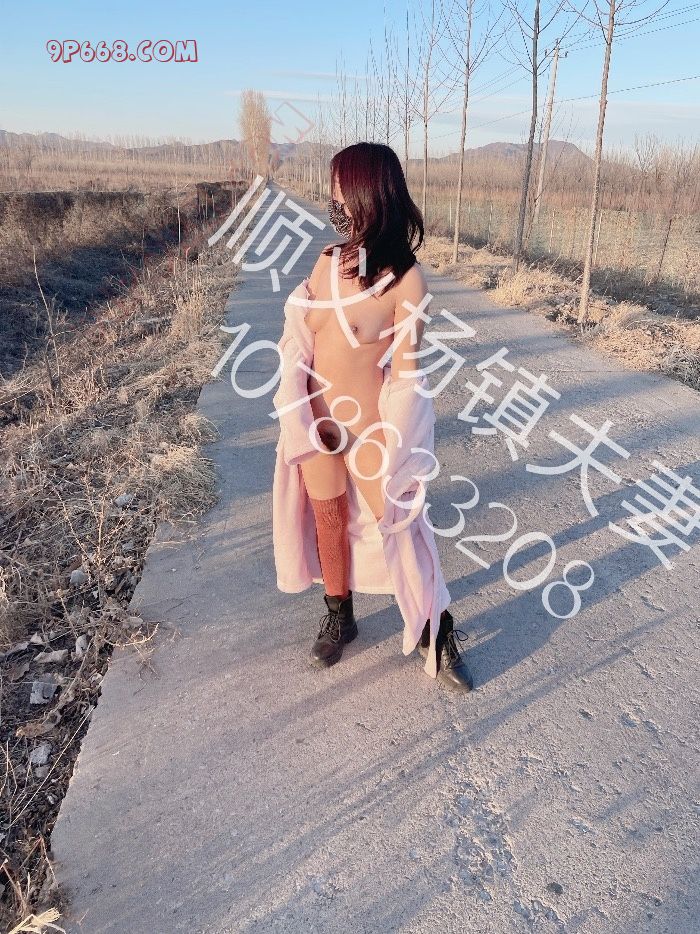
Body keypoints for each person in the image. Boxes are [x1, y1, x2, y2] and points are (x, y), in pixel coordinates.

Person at [271, 141, 473, 692]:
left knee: (402, 527)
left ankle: (436, 630)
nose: (332, 202)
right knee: (328, 521)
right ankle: (340, 615)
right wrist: (293, 404)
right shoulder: (328, 261)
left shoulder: (407, 282)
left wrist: (406, 446)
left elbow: (406, 374)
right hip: (316, 423)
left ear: (368, 193)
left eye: (340, 190)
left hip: (368, 430)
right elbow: (300, 336)